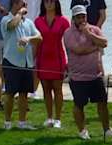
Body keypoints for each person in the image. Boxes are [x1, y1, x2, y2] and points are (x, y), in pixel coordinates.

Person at [63, 4, 112, 141]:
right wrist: (95, 47)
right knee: (79, 105)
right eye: (78, 17)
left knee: (102, 103)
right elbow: (79, 50)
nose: (81, 19)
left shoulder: (94, 29)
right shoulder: (68, 33)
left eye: (83, 16)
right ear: (73, 18)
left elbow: (104, 43)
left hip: (95, 75)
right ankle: (82, 130)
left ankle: (107, 128)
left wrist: (89, 34)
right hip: (78, 77)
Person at [1, 0, 42, 130]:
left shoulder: (29, 23)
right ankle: (7, 122)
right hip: (11, 61)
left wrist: (29, 39)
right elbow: (12, 25)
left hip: (26, 62)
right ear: (14, 4)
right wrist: (19, 14)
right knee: (10, 93)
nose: (25, 7)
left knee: (24, 93)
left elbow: (39, 37)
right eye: (22, 4)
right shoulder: (6, 19)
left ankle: (22, 122)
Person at [34, 0, 69, 129]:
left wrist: (69, 62)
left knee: (57, 89)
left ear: (56, 4)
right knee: (46, 89)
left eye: (51, 1)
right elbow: (35, 41)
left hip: (58, 59)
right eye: (46, 2)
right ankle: (49, 117)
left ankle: (58, 118)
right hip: (42, 58)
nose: (49, 4)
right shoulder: (38, 21)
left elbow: (68, 42)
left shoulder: (63, 21)